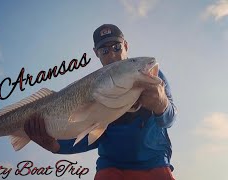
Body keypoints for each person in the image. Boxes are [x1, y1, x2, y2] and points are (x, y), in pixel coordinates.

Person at [24, 24, 177, 180]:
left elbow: (169, 120)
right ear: (96, 53)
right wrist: (54, 146)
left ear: (125, 45)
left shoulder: (149, 74)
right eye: (104, 50)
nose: (112, 55)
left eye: (117, 47)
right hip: (111, 166)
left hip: (155, 163)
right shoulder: (93, 88)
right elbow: (91, 135)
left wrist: (161, 104)